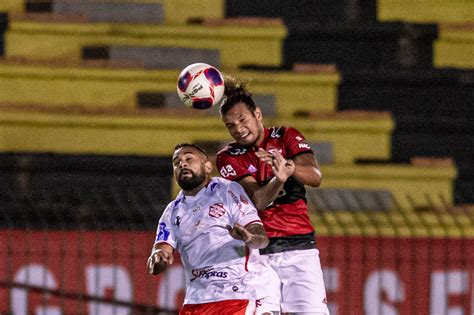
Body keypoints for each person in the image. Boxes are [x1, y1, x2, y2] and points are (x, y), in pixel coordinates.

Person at [216, 76, 330, 315]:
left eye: (242, 119)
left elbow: (315, 175)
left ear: (257, 114)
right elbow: (257, 200)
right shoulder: (228, 156)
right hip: (258, 254)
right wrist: (279, 179)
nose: (238, 128)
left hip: (300, 249)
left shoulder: (286, 136)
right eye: (230, 125)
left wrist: (289, 169)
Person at [147, 143, 269, 315]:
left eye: (189, 158)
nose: (182, 164)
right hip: (196, 301)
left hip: (235, 294)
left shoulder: (228, 190)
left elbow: (261, 238)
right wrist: (158, 258)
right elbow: (158, 256)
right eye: (177, 162)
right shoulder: (172, 211)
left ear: (207, 166)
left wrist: (248, 236)